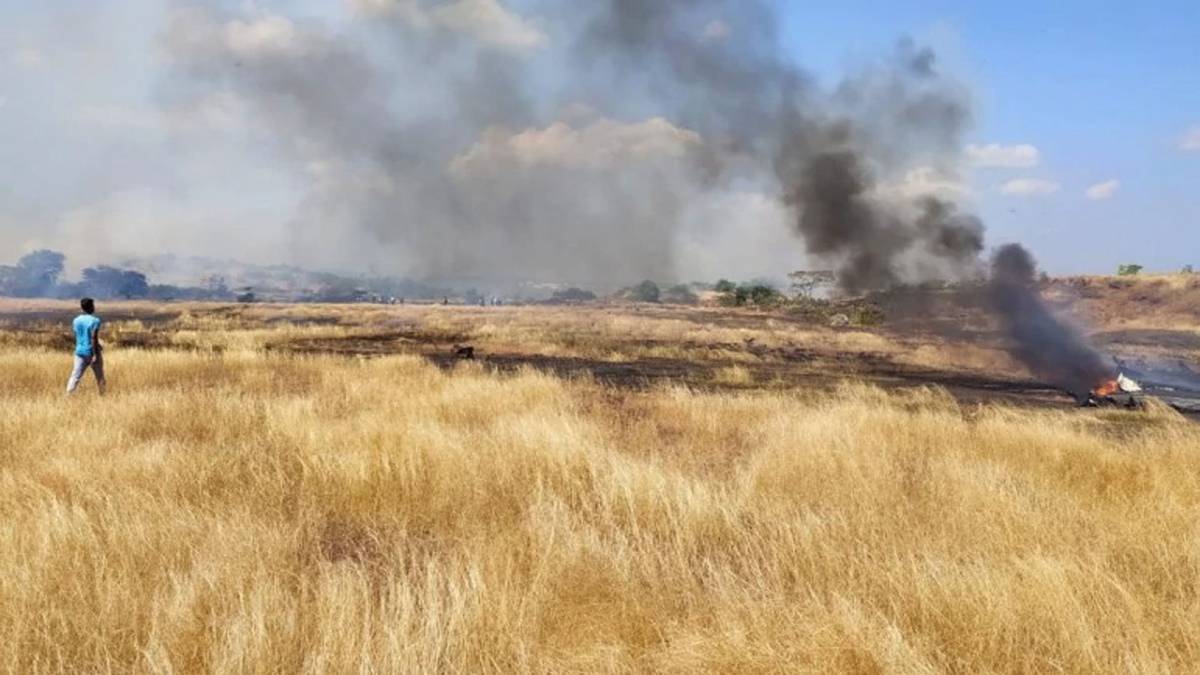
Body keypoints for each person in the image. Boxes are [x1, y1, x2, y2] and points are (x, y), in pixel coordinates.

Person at [67, 297, 106, 395]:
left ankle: (68, 395)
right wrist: (95, 354)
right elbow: (93, 337)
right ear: (91, 307)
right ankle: (103, 396)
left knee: (75, 376)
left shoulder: (76, 320)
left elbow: (79, 335)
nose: (94, 307)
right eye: (93, 305)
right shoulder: (95, 321)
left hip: (79, 352)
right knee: (100, 377)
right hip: (91, 352)